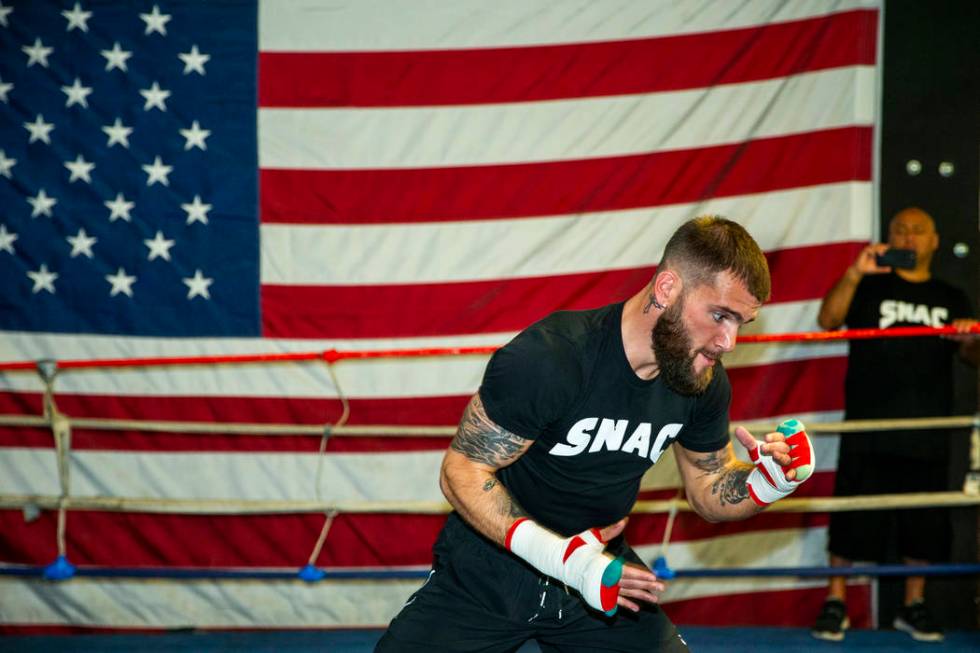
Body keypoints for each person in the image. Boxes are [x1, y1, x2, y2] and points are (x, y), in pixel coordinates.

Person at [375, 216, 815, 652]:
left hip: (598, 573)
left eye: (741, 323)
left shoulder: (700, 380)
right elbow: (462, 468)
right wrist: (559, 558)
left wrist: (768, 482)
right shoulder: (554, 357)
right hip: (490, 571)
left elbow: (708, 489)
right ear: (667, 289)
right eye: (720, 315)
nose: (728, 342)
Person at [811, 207, 979, 643]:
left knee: (922, 520)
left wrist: (971, 340)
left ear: (934, 240)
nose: (907, 237)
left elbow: (973, 359)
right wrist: (854, 272)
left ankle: (913, 604)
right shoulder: (869, 285)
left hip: (926, 427)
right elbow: (827, 321)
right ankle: (835, 601)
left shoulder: (952, 297)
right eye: (899, 230)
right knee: (851, 517)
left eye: (917, 230)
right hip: (868, 423)